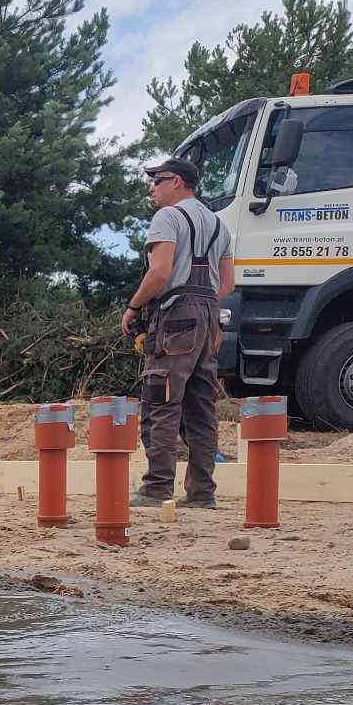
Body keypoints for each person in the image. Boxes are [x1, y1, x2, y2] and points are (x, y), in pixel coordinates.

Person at [122, 155, 235, 509]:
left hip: (175, 317)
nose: (151, 188)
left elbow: (159, 273)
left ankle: (157, 488)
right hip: (209, 315)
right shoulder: (219, 225)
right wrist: (202, 306)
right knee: (201, 407)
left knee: (161, 400)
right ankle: (202, 493)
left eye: (157, 181)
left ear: (177, 183)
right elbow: (228, 282)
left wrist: (134, 307)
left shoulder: (168, 217)